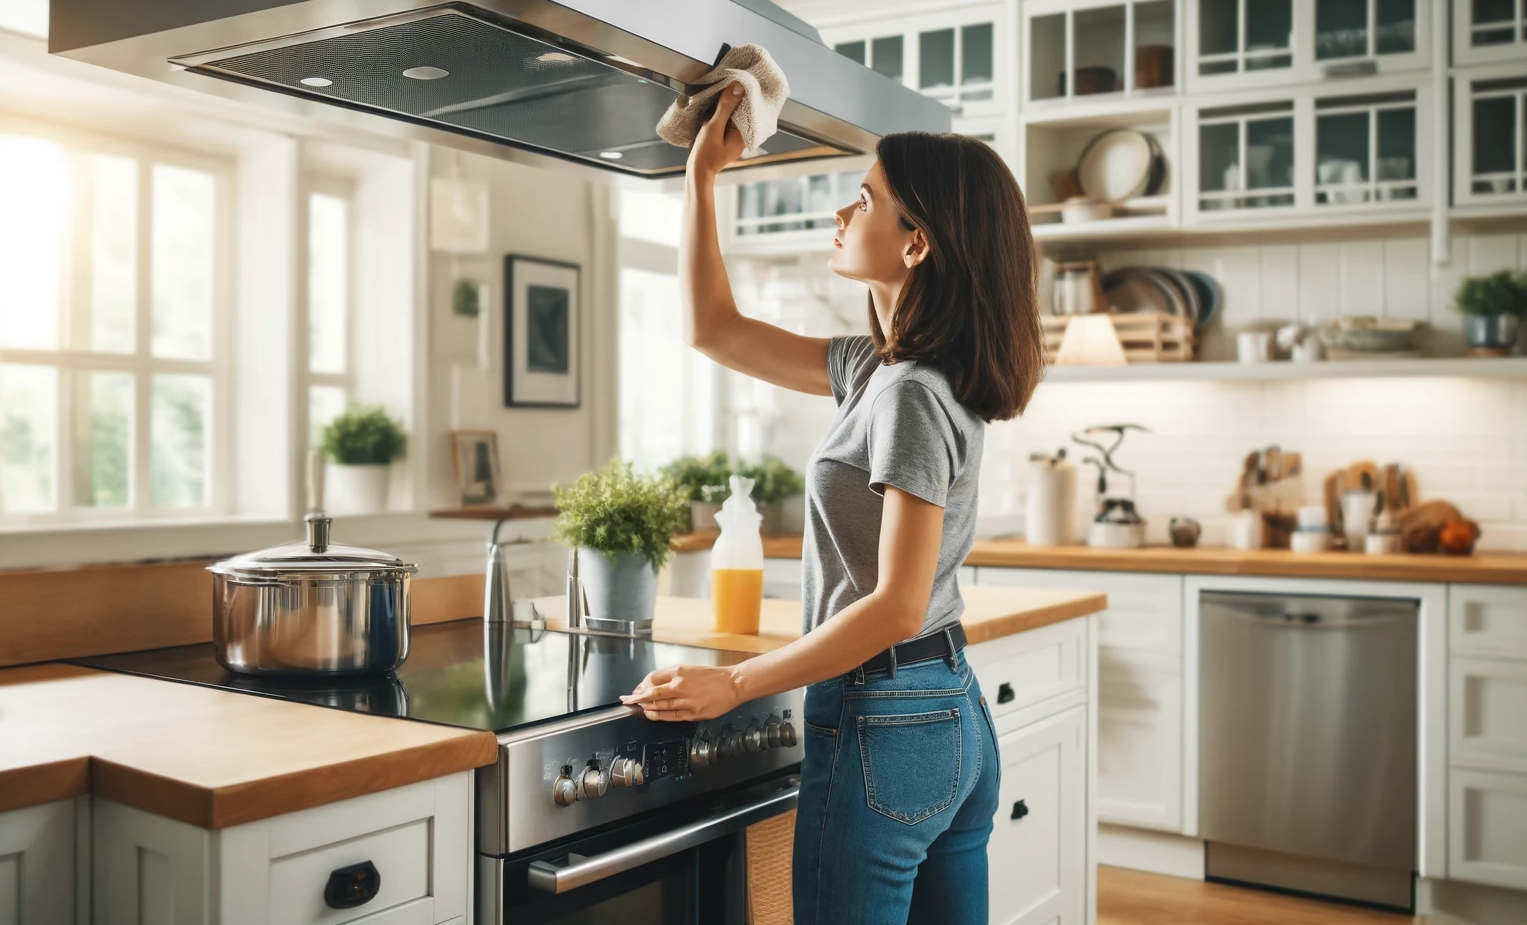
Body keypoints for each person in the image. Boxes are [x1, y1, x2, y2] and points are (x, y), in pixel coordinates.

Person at [621, 82, 1045, 924]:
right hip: (946, 709)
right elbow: (713, 328)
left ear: (916, 243)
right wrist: (700, 178)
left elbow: (893, 605)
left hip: (886, 717)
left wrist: (732, 683)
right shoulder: (878, 369)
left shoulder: (911, 394)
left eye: (864, 201)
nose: (841, 218)